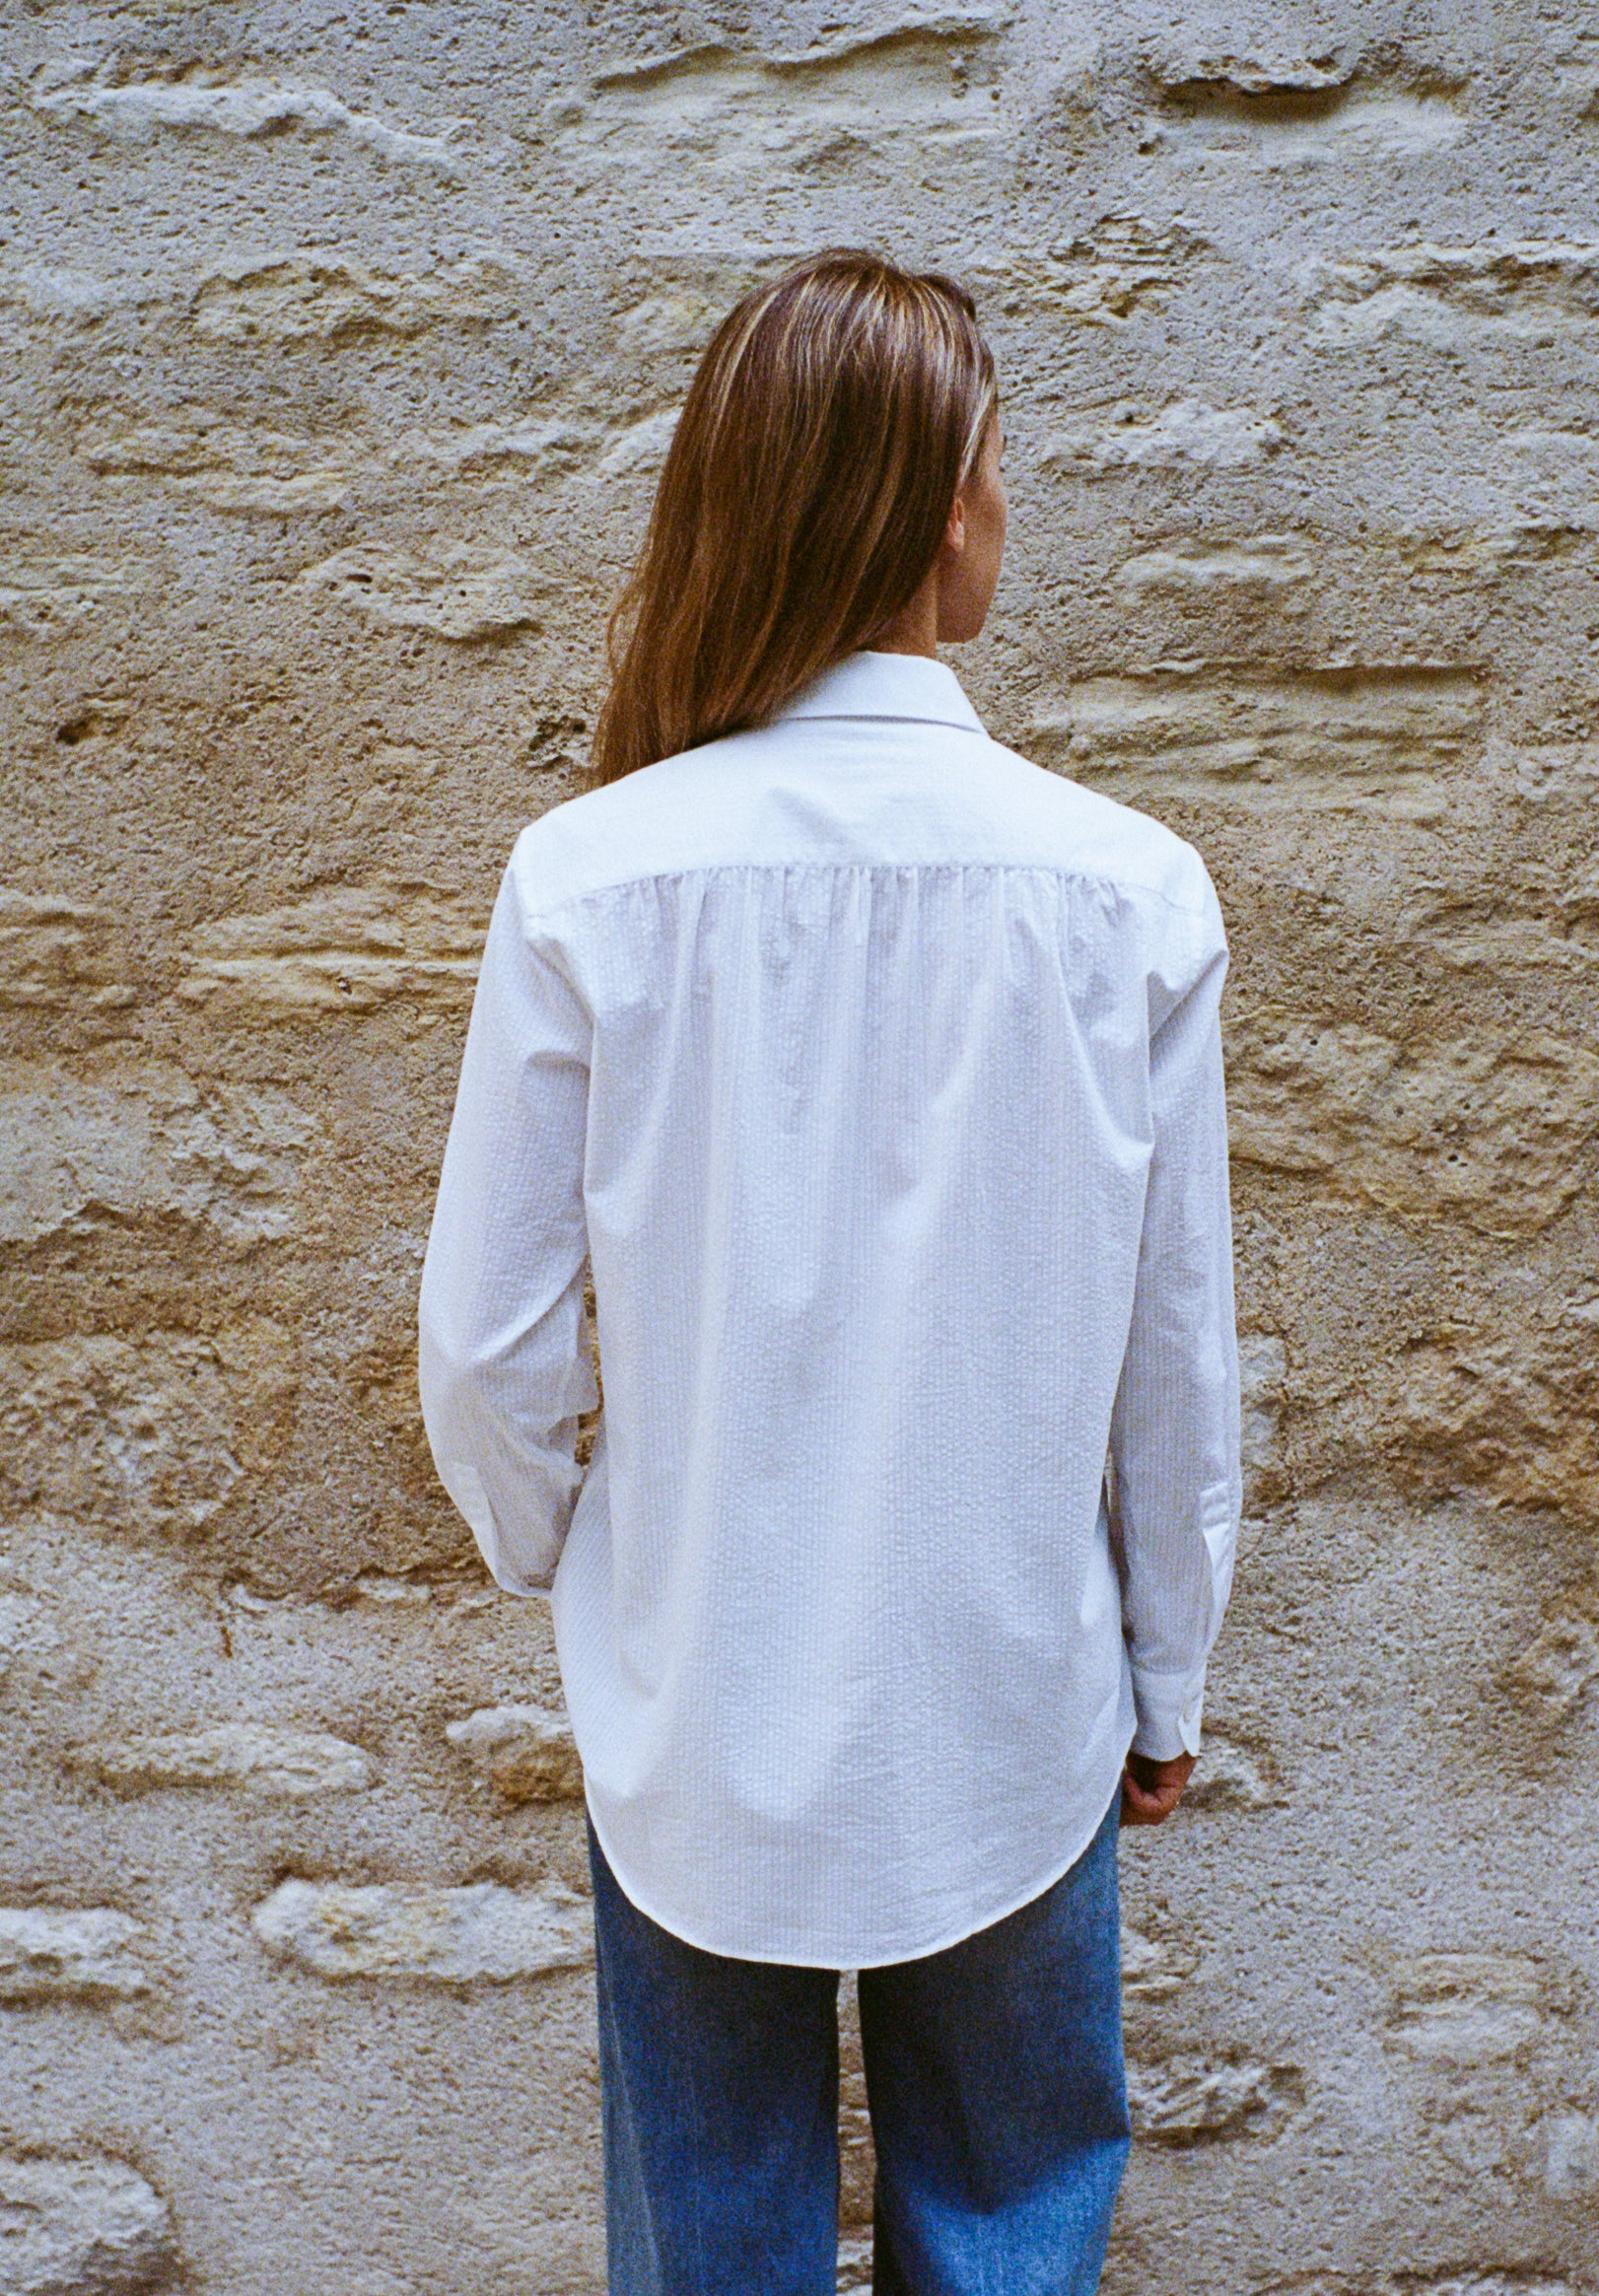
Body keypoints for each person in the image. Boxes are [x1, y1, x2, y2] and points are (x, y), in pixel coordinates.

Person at [417, 248, 1242, 2296]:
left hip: (695, 1705)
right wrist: (1166, 1666)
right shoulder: (1120, 885)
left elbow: (483, 1344)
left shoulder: (590, 873)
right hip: (1011, 1698)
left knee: (712, 2244)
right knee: (1010, 2216)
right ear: (931, 502)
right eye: (993, 467)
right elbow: (1173, 1355)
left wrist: (582, 1567)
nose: (1004, 512)